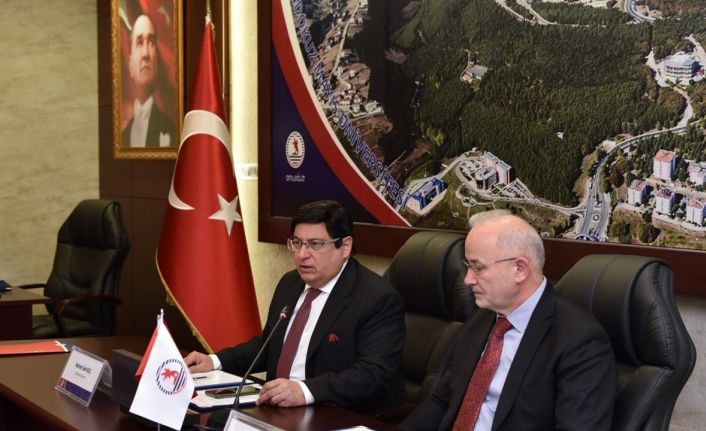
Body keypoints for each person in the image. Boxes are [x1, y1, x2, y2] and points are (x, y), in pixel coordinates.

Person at [185, 199, 406, 416]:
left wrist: (305, 391)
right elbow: (268, 345)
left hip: (337, 413)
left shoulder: (377, 298)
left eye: (315, 244)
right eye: (297, 243)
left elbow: (372, 374)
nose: (302, 254)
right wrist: (215, 361)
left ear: (345, 246)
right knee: (211, 420)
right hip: (279, 408)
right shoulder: (290, 283)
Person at [401, 210, 616, 431]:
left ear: (519, 270)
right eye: (468, 266)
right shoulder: (481, 318)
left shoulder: (579, 341)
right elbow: (444, 401)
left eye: (478, 267)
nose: (468, 279)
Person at [121, 14, 175, 148]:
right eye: (139, 43)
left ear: (157, 60)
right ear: (131, 66)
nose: (146, 54)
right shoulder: (123, 138)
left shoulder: (171, 131)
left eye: (151, 42)